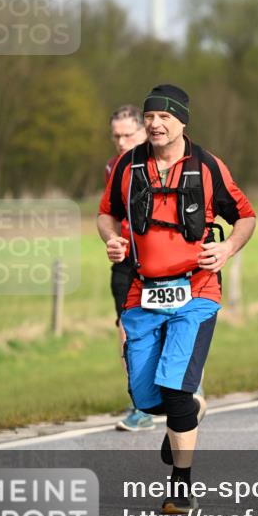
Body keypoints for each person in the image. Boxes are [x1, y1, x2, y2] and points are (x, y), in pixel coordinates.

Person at [98, 84, 257, 514]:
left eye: (164, 117)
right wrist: (112, 238)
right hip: (142, 291)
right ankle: (187, 412)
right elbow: (106, 212)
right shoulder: (127, 166)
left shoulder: (207, 166)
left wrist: (227, 249)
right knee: (145, 398)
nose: (155, 124)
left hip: (196, 291)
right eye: (150, 116)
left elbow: (245, 216)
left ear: (183, 121)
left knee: (174, 387)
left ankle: (180, 486)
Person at [105, 105, 154, 431]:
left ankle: (187, 388)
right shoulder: (113, 167)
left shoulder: (163, 161)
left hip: (162, 259)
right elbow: (108, 212)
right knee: (127, 328)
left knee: (171, 324)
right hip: (125, 260)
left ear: (143, 131)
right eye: (116, 137)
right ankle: (141, 404)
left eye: (127, 135)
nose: (121, 142)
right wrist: (112, 238)